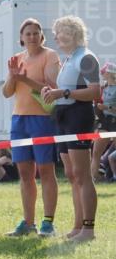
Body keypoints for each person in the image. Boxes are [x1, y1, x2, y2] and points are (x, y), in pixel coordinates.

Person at [40, 16, 101, 243]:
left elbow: (95, 92)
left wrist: (63, 93)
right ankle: (78, 226)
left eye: (59, 32)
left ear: (72, 33)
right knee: (72, 175)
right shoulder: (69, 58)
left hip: (78, 116)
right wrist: (53, 91)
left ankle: (88, 228)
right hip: (64, 117)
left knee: (83, 175)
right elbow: (66, 89)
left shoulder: (86, 57)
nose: (55, 37)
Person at [2, 18, 61, 238]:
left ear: (41, 36)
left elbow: (52, 89)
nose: (33, 36)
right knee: (25, 173)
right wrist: (14, 77)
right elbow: (7, 92)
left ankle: (48, 222)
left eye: (36, 33)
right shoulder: (17, 59)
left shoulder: (50, 56)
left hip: (42, 119)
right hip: (19, 120)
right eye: (28, 33)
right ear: (21, 38)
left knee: (46, 170)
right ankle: (28, 222)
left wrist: (25, 80)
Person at [92, 62, 116, 182]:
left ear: (111, 73)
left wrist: (107, 108)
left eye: (104, 71)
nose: (102, 72)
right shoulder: (104, 88)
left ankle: (109, 173)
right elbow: (97, 104)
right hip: (105, 121)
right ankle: (95, 178)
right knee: (96, 151)